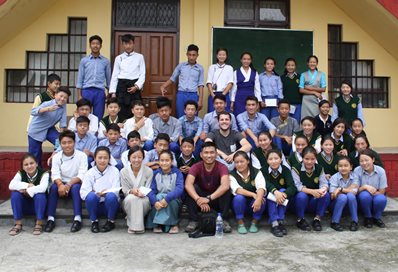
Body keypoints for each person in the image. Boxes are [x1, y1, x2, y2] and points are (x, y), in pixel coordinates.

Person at [45, 130, 88, 233]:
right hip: (61, 182)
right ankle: (50, 219)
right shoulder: (56, 157)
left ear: (74, 142)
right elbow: (55, 174)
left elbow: (82, 174)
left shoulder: (82, 156)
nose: (67, 145)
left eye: (70, 142)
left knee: (76, 188)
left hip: (75, 182)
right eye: (64, 143)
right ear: (60, 144)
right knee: (53, 188)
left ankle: (77, 218)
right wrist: (60, 185)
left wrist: (68, 185)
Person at [185, 141, 232, 233]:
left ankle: (223, 219)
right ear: (201, 155)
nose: (209, 155)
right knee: (191, 188)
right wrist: (198, 199)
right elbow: (188, 184)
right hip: (200, 200)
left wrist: (209, 198)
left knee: (226, 190)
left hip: (215, 198)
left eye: (212, 152)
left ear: (216, 154)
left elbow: (225, 185)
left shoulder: (222, 167)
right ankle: (193, 220)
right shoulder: (196, 167)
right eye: (206, 153)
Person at [80, 146, 121, 233]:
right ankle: (94, 221)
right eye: (100, 158)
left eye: (105, 158)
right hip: (95, 205)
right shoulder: (89, 173)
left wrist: (106, 193)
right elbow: (83, 193)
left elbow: (116, 190)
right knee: (90, 196)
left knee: (111, 196)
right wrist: (95, 193)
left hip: (109, 205)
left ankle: (111, 221)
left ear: (109, 159)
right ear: (95, 158)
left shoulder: (115, 171)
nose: (102, 160)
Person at [28, 86, 70, 166]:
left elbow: (63, 122)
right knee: (35, 155)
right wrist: (47, 109)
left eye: (65, 98)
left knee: (62, 142)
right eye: (61, 96)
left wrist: (61, 136)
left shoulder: (63, 106)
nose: (62, 99)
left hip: (49, 129)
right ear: (55, 95)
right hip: (36, 130)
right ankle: (37, 174)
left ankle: (54, 163)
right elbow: (33, 111)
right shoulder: (48, 104)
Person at [8, 154, 49, 236]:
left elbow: (43, 188)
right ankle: (18, 224)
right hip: (25, 207)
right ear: (23, 167)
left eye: (31, 163)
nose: (29, 166)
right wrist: (28, 185)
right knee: (15, 194)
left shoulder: (44, 173)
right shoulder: (21, 173)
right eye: (26, 164)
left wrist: (28, 191)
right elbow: (11, 185)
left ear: (36, 163)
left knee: (40, 195)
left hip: (40, 207)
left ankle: (39, 224)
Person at [292, 146, 330, 231]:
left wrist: (323, 190)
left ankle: (317, 219)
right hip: (300, 201)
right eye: (306, 159)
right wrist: (312, 191)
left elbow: (324, 183)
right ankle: (300, 219)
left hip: (314, 200)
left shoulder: (319, 168)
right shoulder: (295, 168)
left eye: (312, 159)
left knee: (326, 195)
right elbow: (297, 186)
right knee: (301, 195)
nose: (309, 162)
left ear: (316, 158)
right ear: (302, 158)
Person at [160, 44, 204, 117]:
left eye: (194, 55)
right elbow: (172, 78)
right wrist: (163, 86)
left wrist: (200, 100)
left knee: (193, 116)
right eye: (189, 55)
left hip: (193, 95)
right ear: (187, 54)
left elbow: (201, 84)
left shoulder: (200, 68)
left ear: (197, 55)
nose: (191, 57)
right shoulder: (181, 66)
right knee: (180, 116)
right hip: (181, 94)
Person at [109, 34, 146, 119]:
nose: (128, 46)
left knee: (136, 110)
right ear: (123, 44)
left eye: (130, 43)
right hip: (121, 86)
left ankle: (135, 131)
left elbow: (142, 74)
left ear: (133, 44)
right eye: (126, 43)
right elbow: (115, 75)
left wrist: (136, 87)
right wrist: (113, 93)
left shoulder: (140, 57)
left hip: (134, 86)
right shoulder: (118, 58)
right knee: (121, 111)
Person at [147, 151, 184, 233]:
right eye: (162, 160)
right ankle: (159, 224)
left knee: (170, 200)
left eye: (167, 160)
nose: (164, 163)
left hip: (173, 199)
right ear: (159, 162)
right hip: (159, 200)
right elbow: (151, 190)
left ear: (171, 161)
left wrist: (167, 198)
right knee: (158, 197)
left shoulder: (177, 173)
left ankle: (173, 224)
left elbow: (179, 189)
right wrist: (155, 201)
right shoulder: (155, 173)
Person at [230, 151, 266, 234]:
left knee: (262, 199)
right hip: (239, 206)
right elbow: (237, 190)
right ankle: (240, 223)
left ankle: (254, 222)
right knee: (238, 198)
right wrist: (253, 194)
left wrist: (258, 199)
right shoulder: (232, 175)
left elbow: (261, 187)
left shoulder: (256, 172)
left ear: (248, 161)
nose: (239, 164)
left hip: (253, 205)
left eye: (242, 161)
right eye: (236, 162)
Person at [76, 35, 111, 120]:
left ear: (101, 46)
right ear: (90, 45)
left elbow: (109, 79)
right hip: (86, 91)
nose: (95, 45)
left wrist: (109, 93)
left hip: (99, 91)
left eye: (97, 44)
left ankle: (96, 132)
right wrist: (79, 96)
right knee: (84, 114)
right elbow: (80, 78)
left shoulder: (105, 61)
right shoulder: (84, 61)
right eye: (93, 43)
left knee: (98, 115)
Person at [263, 149, 297, 237]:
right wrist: (275, 191)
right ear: (267, 160)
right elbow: (265, 184)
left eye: (276, 158)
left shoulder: (285, 170)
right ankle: (274, 223)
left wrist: (283, 194)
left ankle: (280, 221)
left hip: (282, 198)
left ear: (281, 159)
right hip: (269, 197)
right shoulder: (264, 170)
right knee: (271, 195)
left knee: (282, 191)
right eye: (270, 159)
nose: (273, 161)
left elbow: (292, 187)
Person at [120, 146, 154, 234]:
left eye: (139, 157)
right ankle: (135, 225)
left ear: (143, 158)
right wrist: (132, 191)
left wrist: (141, 193)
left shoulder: (149, 171)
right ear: (129, 158)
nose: (136, 160)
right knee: (132, 198)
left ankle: (135, 227)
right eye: (134, 157)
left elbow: (148, 188)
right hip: (129, 199)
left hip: (144, 198)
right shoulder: (123, 172)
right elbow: (124, 190)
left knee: (139, 200)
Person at [355, 149, 388, 228]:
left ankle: (377, 218)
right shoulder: (357, 170)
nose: (364, 163)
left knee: (381, 199)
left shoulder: (381, 171)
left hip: (377, 194)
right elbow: (355, 190)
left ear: (373, 160)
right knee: (365, 196)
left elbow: (382, 191)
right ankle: (368, 217)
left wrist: (372, 195)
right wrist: (365, 187)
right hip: (362, 196)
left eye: (367, 160)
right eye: (361, 161)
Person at [329, 156, 359, 232]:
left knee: (351, 196)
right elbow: (333, 195)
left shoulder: (355, 176)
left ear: (351, 167)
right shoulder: (334, 177)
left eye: (346, 165)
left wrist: (340, 189)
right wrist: (346, 191)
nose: (343, 168)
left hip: (351, 205)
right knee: (343, 197)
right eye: (340, 166)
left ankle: (354, 221)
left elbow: (354, 192)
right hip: (336, 205)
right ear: (337, 167)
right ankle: (335, 222)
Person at [230, 52, 262, 116]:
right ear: (241, 60)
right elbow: (234, 88)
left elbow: (257, 88)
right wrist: (232, 101)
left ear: (251, 60)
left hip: (251, 97)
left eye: (248, 59)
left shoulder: (255, 72)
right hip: (239, 98)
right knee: (239, 115)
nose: (246, 61)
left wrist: (258, 101)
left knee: (251, 116)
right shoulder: (236, 72)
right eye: (244, 59)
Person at [206, 47, 234, 112]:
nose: (222, 56)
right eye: (220, 54)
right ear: (216, 55)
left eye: (223, 55)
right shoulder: (212, 67)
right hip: (213, 94)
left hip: (224, 94)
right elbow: (209, 82)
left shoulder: (229, 68)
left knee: (225, 115)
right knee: (212, 115)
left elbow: (230, 83)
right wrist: (213, 95)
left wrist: (223, 95)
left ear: (226, 56)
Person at [281, 58, 302, 123]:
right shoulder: (282, 77)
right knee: (286, 123)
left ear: (295, 66)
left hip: (297, 104)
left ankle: (295, 134)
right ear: (285, 66)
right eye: (288, 65)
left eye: (292, 65)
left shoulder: (300, 77)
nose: (290, 67)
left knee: (296, 122)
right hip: (286, 105)